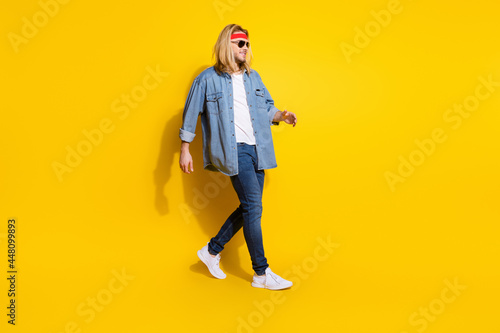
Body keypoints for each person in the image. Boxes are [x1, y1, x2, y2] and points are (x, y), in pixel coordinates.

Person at [179, 24, 297, 290]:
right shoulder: (207, 79)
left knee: (250, 208)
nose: (245, 48)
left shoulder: (254, 78)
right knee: (253, 208)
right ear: (226, 46)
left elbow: (268, 107)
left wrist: (282, 116)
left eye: (247, 44)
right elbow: (190, 112)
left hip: (259, 150)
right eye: (240, 43)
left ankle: (211, 251)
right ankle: (261, 273)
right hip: (234, 150)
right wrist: (185, 148)